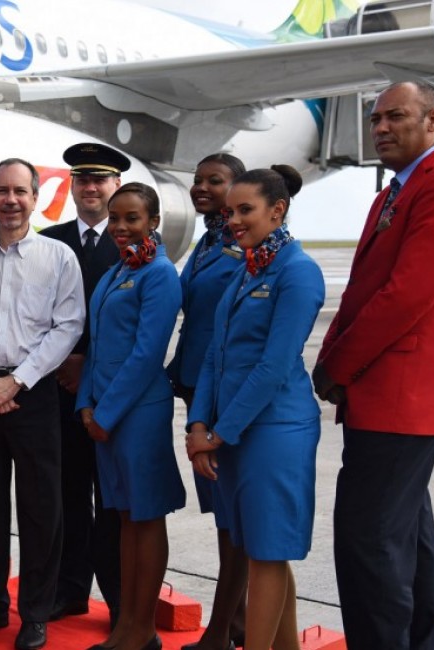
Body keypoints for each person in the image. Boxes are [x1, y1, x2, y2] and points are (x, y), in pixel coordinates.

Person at [314, 80, 434, 649]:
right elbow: (366, 285)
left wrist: (338, 363)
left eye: (396, 116)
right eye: (375, 119)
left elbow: (405, 297)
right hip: (387, 391)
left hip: (402, 393)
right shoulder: (396, 191)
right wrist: (334, 352)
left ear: (433, 121)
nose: (381, 128)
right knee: (406, 538)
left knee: (370, 543)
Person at [185, 165, 325, 650]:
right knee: (264, 552)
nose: (234, 221)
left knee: (268, 554)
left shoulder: (297, 272)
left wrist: (218, 433)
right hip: (234, 433)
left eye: (246, 211)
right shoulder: (248, 270)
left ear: (277, 209)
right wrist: (198, 422)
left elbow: (274, 366)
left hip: (275, 432)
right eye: (230, 212)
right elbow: (212, 356)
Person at [0, 159, 84, 650]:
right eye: (1, 191)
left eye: (20, 192)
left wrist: (18, 382)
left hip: (35, 395)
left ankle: (36, 612)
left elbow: (67, 326)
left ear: (35, 197)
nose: (11, 200)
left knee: (41, 508)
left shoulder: (58, 257)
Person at [78, 183, 185, 650]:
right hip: (103, 415)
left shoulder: (159, 275)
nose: (121, 227)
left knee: (145, 519)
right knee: (122, 519)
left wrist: (107, 411)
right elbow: (96, 347)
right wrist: (85, 403)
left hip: (137, 414)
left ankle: (143, 628)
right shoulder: (116, 271)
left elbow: (147, 354)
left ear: (153, 222)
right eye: (115, 218)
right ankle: (128, 624)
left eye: (133, 219)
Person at [38, 143, 128, 625]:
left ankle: (117, 599)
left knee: (110, 500)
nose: (90, 188)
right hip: (57, 392)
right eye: (82, 179)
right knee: (67, 494)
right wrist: (59, 364)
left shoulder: (130, 241)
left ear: (116, 187)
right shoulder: (48, 240)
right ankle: (70, 589)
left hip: (108, 394)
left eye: (101, 179)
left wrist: (84, 365)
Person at [167, 153, 249, 650]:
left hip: (222, 396)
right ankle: (236, 623)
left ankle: (221, 631)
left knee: (231, 517)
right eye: (197, 180)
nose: (200, 188)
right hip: (196, 389)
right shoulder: (209, 242)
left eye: (214, 182)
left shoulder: (244, 246)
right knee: (222, 515)